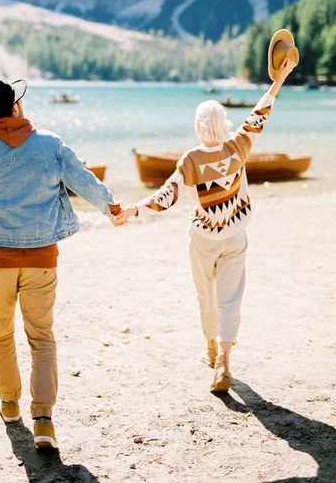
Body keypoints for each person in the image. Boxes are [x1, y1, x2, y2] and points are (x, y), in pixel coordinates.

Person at [0, 77, 124, 449]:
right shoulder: (50, 144)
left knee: (1, 334)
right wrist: (113, 209)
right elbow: (83, 180)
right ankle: (43, 422)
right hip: (42, 258)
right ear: (18, 108)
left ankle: (10, 406)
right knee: (42, 339)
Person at [116, 31, 298, 393]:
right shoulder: (239, 145)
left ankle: (212, 349)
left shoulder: (191, 160)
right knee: (231, 296)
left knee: (207, 295)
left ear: (200, 127)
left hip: (203, 239)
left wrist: (132, 211)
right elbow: (260, 114)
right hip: (235, 234)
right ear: (224, 123)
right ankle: (225, 365)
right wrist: (278, 81)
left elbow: (165, 198)